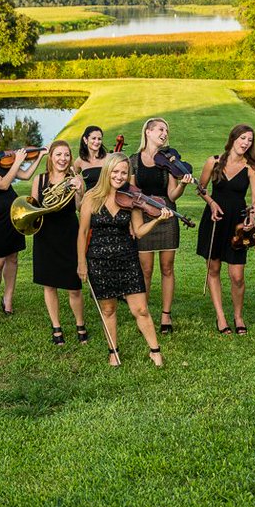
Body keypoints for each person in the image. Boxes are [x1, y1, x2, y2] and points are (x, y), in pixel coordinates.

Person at [77, 153, 173, 367]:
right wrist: (81, 263)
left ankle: (155, 351)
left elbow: (138, 232)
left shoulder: (130, 199)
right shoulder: (91, 198)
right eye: (115, 171)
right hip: (98, 260)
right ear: (107, 171)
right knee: (108, 309)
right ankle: (113, 351)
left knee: (141, 309)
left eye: (123, 172)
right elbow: (82, 233)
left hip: (127, 258)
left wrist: (157, 219)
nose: (119, 176)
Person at [0, 121, 45, 318]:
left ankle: (8, 299)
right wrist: (18, 161)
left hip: (14, 212)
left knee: (13, 257)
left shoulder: (2, 158)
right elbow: (3, 184)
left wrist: (40, 156)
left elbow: (27, 175)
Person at [128, 117, 194, 334]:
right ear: (148, 132)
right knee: (146, 270)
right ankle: (144, 314)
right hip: (143, 216)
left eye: (166, 130)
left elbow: (172, 194)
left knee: (167, 268)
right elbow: (130, 194)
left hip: (167, 215)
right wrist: (132, 221)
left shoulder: (168, 160)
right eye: (160, 129)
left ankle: (166, 315)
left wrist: (182, 185)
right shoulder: (134, 160)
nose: (164, 133)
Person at [196, 124, 255, 335]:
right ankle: (221, 317)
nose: (245, 143)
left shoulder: (250, 168)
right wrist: (211, 203)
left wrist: (252, 215)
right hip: (215, 220)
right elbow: (201, 188)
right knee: (213, 269)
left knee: (237, 276)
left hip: (238, 224)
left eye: (249, 140)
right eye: (242, 138)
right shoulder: (213, 161)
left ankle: (238, 316)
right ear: (233, 138)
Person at [30, 140, 89, 346]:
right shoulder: (40, 179)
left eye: (66, 155)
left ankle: (80, 324)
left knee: (74, 287)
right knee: (49, 284)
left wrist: (80, 189)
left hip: (68, 233)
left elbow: (80, 208)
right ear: (51, 157)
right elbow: (33, 206)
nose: (62, 159)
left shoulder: (75, 178)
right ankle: (56, 326)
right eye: (58, 155)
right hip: (45, 235)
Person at [73, 125, 109, 191]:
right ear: (85, 139)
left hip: (108, 198)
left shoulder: (109, 157)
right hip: (89, 199)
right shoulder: (80, 161)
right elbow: (71, 177)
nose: (97, 142)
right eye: (93, 138)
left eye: (99, 139)